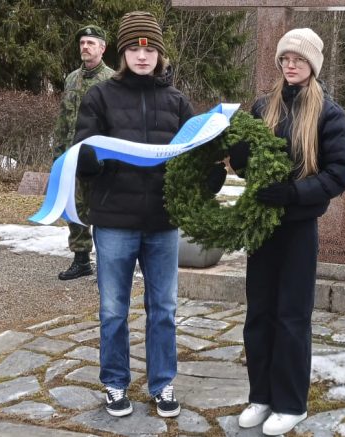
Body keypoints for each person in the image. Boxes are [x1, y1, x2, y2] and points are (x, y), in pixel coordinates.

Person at [73, 11, 222, 419]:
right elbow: (82, 149)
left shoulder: (176, 102)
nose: (143, 55)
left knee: (164, 309)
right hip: (115, 222)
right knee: (113, 309)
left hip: (162, 223)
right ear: (123, 52)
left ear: (160, 53)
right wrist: (89, 161)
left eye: (150, 48)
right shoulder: (99, 97)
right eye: (135, 48)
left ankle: (162, 383)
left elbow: (195, 155)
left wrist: (211, 175)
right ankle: (116, 383)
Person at [229, 28, 345, 436]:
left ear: (313, 65)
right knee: (259, 312)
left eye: (298, 59)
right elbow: (246, 163)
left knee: (292, 317)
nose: (291, 65)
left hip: (298, 228)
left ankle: (290, 402)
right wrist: (238, 152)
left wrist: (294, 193)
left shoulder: (328, 113)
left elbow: (339, 173)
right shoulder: (264, 106)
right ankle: (260, 396)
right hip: (263, 227)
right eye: (285, 59)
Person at [53, 24, 114, 280]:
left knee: (101, 207)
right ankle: (81, 260)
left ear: (102, 48)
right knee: (73, 207)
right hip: (71, 154)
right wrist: (58, 152)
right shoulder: (71, 78)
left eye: (91, 43)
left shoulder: (112, 80)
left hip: (98, 156)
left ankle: (108, 263)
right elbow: (64, 118)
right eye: (82, 43)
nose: (85, 47)